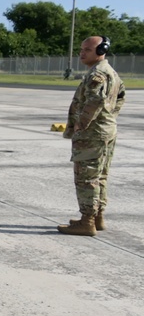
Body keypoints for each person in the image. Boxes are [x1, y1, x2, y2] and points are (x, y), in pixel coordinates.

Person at [58, 35, 126, 236]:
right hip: (105, 131)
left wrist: (82, 124)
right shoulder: (110, 72)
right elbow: (121, 96)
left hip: (92, 134)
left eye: (87, 50)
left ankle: (87, 221)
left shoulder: (97, 74)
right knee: (100, 175)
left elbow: (94, 101)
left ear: (100, 51)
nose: (82, 53)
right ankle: (98, 217)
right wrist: (109, 118)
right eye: (81, 49)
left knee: (86, 177)